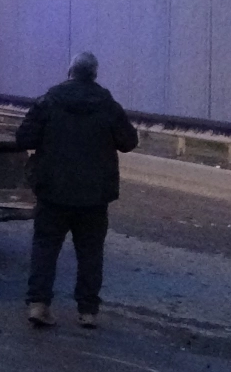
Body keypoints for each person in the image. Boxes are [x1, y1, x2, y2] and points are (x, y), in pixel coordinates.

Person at [16, 52, 139, 328]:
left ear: (70, 72)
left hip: (53, 191)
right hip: (94, 196)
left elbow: (24, 137)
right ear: (94, 74)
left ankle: (39, 304)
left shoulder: (49, 101)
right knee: (91, 252)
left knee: (46, 247)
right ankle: (87, 311)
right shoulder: (108, 105)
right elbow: (129, 142)